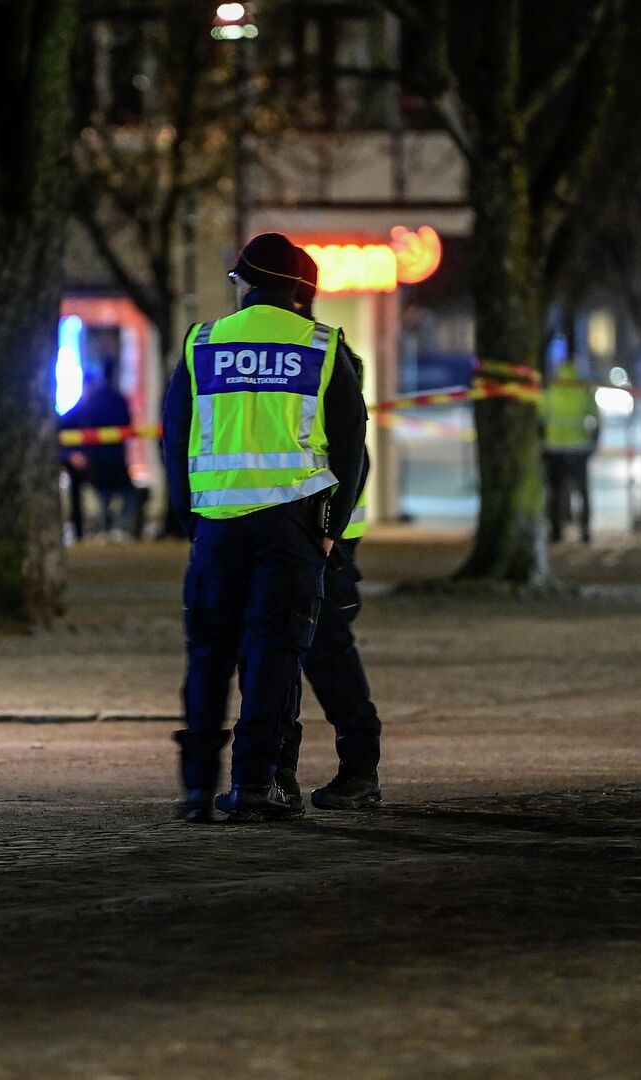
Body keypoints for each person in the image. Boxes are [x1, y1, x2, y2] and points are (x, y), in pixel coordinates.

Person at [162, 233, 367, 823]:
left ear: (248, 285)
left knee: (208, 656)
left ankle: (198, 790)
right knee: (274, 654)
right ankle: (256, 786)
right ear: (301, 293)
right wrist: (329, 528)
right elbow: (350, 448)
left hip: (217, 527)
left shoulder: (203, 343)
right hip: (291, 526)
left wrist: (191, 520)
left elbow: (176, 438)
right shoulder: (323, 346)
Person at [275, 250, 384, 811]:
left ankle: (344, 770)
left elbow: (346, 454)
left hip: (323, 537)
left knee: (315, 653)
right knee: (308, 654)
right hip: (323, 533)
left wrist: (327, 533)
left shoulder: (324, 353)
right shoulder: (330, 351)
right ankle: (307, 771)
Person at [60, 357, 139, 539]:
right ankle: (117, 529)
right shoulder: (119, 400)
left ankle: (103, 529)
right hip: (115, 459)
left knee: (103, 498)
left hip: (96, 461)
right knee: (124, 494)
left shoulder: (90, 404)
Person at [541, 359, 601, 544]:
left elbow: (540, 419)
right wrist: (592, 444)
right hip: (579, 450)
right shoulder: (583, 391)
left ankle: (556, 532)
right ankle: (585, 531)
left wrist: (543, 444)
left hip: (554, 449)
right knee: (582, 492)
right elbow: (596, 420)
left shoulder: (550, 391)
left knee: (555, 492)